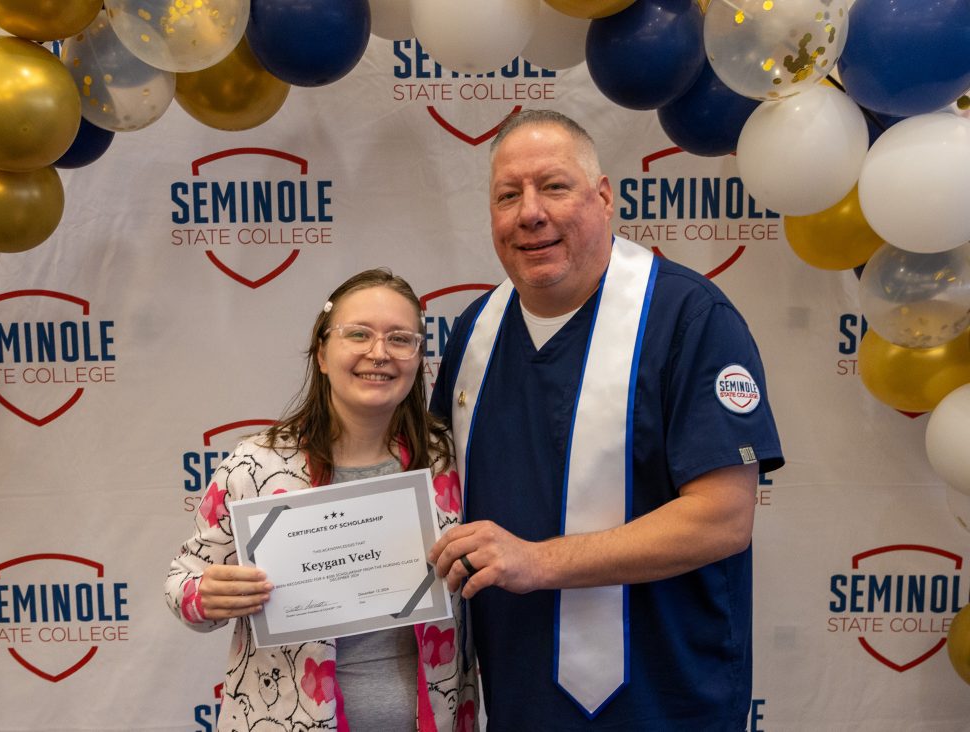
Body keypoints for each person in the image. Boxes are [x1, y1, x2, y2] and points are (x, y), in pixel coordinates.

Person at [428, 109, 784, 730]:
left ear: (604, 197)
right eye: (507, 195)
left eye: (554, 186)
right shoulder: (472, 335)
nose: (530, 212)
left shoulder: (688, 319)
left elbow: (724, 519)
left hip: (667, 706)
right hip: (517, 701)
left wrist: (538, 562)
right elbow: (431, 503)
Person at [166, 269, 478, 731]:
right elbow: (182, 584)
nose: (379, 352)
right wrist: (206, 595)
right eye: (358, 334)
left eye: (400, 338)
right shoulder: (256, 465)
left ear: (418, 358)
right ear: (323, 353)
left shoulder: (450, 458)